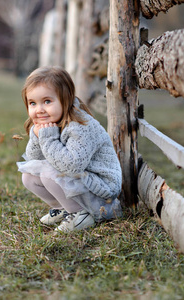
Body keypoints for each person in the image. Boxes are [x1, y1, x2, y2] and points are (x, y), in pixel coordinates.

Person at [17, 66, 123, 232]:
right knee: (28, 176)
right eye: (32, 103)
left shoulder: (80, 125)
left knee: (48, 174)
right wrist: (38, 137)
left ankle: (82, 213)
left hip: (102, 192)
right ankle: (64, 208)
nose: (39, 110)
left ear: (65, 99)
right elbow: (33, 159)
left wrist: (47, 137)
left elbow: (72, 166)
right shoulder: (47, 124)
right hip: (81, 181)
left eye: (47, 101)